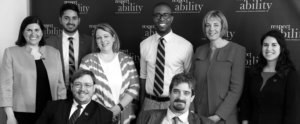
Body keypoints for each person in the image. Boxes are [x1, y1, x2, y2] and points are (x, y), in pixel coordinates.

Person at [0, 16, 66, 124]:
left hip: (51, 113)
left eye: (37, 30)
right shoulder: (11, 53)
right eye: (29, 30)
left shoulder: (54, 53)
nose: (33, 34)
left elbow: (61, 86)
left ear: (42, 32)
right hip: (21, 114)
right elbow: (5, 87)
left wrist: (62, 112)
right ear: (22, 32)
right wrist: (10, 116)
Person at [191, 10, 246, 124]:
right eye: (208, 25)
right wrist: (191, 110)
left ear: (222, 27)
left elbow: (236, 89)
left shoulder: (237, 50)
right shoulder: (199, 50)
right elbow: (191, 84)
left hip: (224, 117)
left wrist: (218, 116)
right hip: (199, 115)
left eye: (216, 25)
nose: (211, 29)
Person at [79, 23, 139, 124]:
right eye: (99, 38)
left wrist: (118, 108)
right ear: (96, 41)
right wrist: (106, 112)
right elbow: (83, 88)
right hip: (97, 114)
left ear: (113, 37)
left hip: (125, 115)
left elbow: (135, 86)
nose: (103, 40)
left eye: (106, 36)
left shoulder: (127, 60)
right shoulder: (87, 61)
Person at [139, 2, 193, 111]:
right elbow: (143, 76)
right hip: (150, 103)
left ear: (171, 18)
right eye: (157, 15)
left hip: (174, 102)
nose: (161, 18)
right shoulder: (144, 44)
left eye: (165, 15)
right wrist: (141, 104)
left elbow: (189, 78)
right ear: (153, 18)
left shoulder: (185, 46)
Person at [239, 30, 300, 124]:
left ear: (281, 48)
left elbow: (292, 111)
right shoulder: (253, 72)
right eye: (265, 45)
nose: (269, 48)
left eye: (274, 45)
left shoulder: (290, 75)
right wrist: (244, 121)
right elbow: (246, 102)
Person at [46, 3, 94, 96]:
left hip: (83, 93)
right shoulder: (49, 42)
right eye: (66, 18)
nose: (70, 21)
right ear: (60, 19)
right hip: (58, 92)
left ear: (79, 20)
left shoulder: (90, 42)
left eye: (74, 18)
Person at [36, 69, 113, 124]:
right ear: (72, 87)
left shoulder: (104, 115)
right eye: (78, 84)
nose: (82, 89)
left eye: (87, 85)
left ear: (94, 88)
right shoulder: (53, 107)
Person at [137, 73, 212, 124]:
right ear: (169, 94)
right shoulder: (145, 118)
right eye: (176, 92)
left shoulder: (206, 123)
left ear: (192, 97)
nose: (180, 97)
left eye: (186, 93)